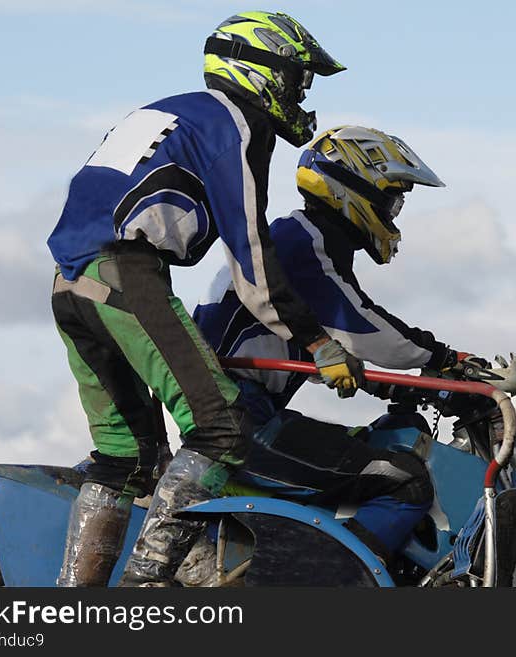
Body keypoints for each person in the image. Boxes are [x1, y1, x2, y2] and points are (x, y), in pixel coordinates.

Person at [47, 11, 356, 587]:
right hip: (125, 276)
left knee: (125, 458)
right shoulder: (233, 125)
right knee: (223, 426)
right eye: (298, 78)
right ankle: (148, 589)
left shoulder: (170, 110)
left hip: (69, 287)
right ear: (258, 70)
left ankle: (78, 606)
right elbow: (251, 251)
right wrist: (314, 339)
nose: (302, 93)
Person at [193, 125, 498, 565]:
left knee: (391, 437)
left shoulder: (306, 240)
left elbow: (339, 343)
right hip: (241, 419)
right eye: (392, 199)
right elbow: (362, 327)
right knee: (403, 481)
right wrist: (450, 360)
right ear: (352, 187)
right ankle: (334, 577)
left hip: (245, 411)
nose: (394, 213)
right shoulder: (304, 243)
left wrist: (403, 387)